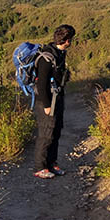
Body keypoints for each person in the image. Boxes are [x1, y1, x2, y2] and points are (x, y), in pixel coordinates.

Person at [33, 24, 76, 179]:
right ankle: (40, 167)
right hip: (46, 100)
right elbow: (41, 84)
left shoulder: (60, 53)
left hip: (57, 97)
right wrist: (45, 105)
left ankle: (52, 164)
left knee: (56, 132)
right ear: (66, 40)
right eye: (70, 39)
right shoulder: (47, 57)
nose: (71, 43)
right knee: (46, 133)